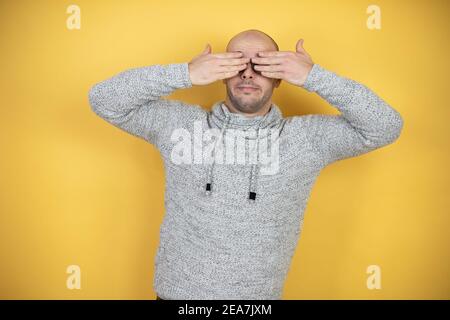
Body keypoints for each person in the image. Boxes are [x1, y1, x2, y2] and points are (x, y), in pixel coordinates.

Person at [88, 29, 403, 300]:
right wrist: (185, 73)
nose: (248, 73)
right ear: (221, 70)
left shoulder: (306, 140)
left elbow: (385, 126)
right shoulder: (178, 126)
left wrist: (314, 76)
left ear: (280, 77)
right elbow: (104, 99)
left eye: (263, 64)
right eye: (237, 62)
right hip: (177, 298)